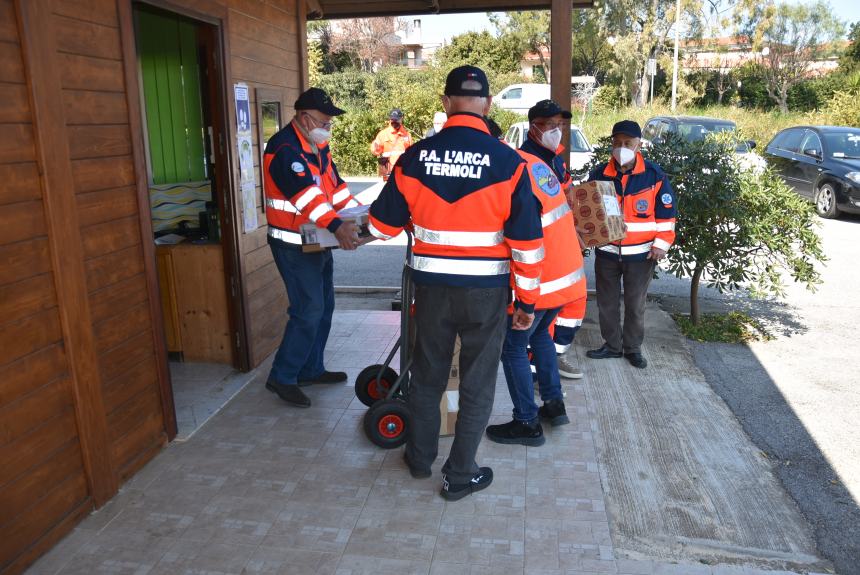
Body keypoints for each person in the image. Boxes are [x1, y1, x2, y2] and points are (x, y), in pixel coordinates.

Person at [368, 65, 544, 501]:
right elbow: (527, 242)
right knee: (478, 383)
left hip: (432, 292)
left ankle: (419, 458)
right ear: (485, 105)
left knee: (427, 377)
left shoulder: (413, 157)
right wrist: (528, 300)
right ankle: (460, 474)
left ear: (446, 104)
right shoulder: (510, 162)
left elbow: (381, 224)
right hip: (487, 295)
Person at [485, 100, 587, 447]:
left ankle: (526, 422)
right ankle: (554, 405)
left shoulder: (510, 170)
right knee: (541, 336)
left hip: (542, 280)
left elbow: (520, 237)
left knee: (513, 347)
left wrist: (523, 296)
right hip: (566, 276)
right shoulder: (533, 164)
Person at [262, 87, 363, 408]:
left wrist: (361, 218)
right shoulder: (285, 150)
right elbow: (307, 197)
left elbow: (336, 189)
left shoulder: (317, 146)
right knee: (308, 311)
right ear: (304, 118)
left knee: (324, 307)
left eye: (330, 123)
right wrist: (339, 226)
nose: (328, 128)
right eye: (324, 121)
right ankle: (283, 376)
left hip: (315, 241)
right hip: (292, 245)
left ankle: (311, 368)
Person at [585, 120, 676, 369]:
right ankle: (612, 346)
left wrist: (662, 244)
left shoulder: (653, 175)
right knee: (606, 303)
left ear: (639, 145)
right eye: (617, 143)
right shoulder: (599, 174)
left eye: (627, 143)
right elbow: (589, 213)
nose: (621, 147)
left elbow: (667, 215)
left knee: (635, 305)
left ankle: (632, 348)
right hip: (607, 253)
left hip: (642, 254)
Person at [371, 108, 413, 180]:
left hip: (403, 172)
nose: (394, 122)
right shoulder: (383, 134)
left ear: (401, 119)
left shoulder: (407, 135)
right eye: (392, 120)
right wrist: (375, 148)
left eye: (396, 120)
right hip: (388, 172)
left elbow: (412, 153)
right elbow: (376, 151)